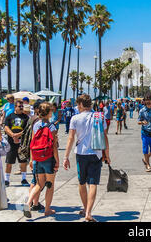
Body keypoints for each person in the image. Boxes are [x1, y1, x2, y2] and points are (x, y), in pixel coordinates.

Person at [63, 94, 111, 222]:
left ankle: (85, 208)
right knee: (93, 183)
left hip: (81, 154)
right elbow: (105, 137)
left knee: (82, 182)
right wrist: (107, 154)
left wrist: (66, 157)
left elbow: (71, 138)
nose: (77, 107)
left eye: (78, 105)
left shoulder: (75, 118)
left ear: (80, 105)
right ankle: (88, 212)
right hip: (96, 154)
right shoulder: (100, 116)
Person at [23, 102, 59, 218]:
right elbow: (54, 146)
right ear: (49, 113)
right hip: (48, 158)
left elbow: (32, 142)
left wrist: (32, 159)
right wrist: (57, 160)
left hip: (37, 158)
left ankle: (28, 203)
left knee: (39, 183)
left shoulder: (36, 125)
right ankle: (47, 210)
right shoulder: (52, 127)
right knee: (50, 185)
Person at [4, 99, 30, 187]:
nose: (22, 108)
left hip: (22, 143)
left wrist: (18, 135)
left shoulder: (26, 117)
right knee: (9, 162)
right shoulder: (9, 116)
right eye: (20, 106)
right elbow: (6, 127)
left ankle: (23, 179)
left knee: (23, 161)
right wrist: (12, 135)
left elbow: (27, 129)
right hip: (11, 142)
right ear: (15, 107)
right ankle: (6, 180)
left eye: (22, 106)